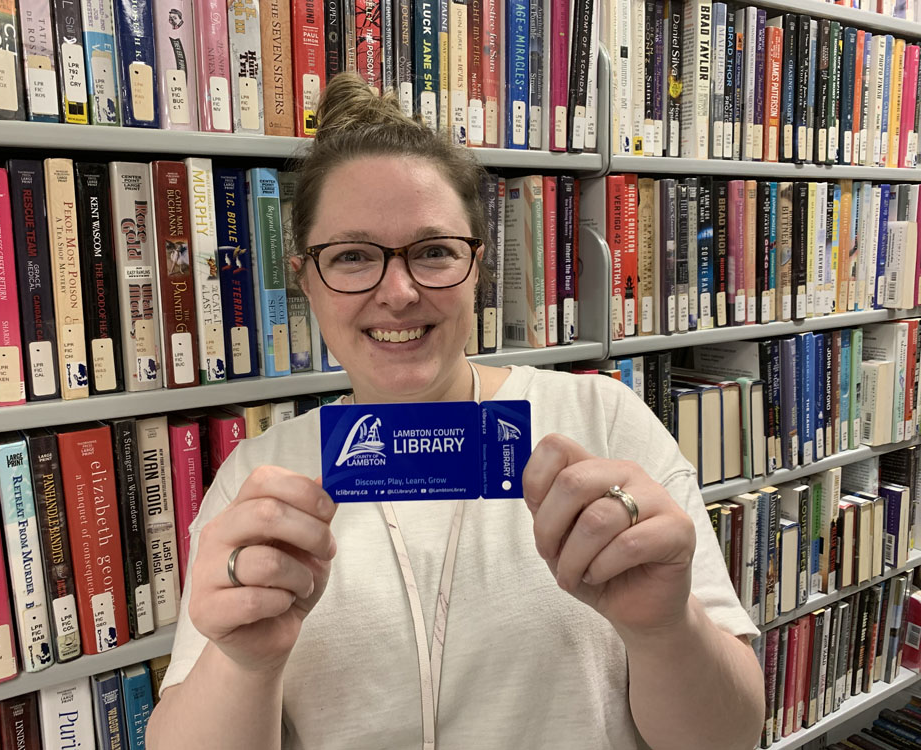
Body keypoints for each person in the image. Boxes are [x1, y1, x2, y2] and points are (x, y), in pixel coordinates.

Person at [146, 73, 766, 750]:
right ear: (307, 282)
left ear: (477, 267)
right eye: (353, 257)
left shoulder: (600, 424)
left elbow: (728, 737)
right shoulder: (261, 480)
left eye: (433, 252)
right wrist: (245, 662)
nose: (400, 291)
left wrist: (664, 629)